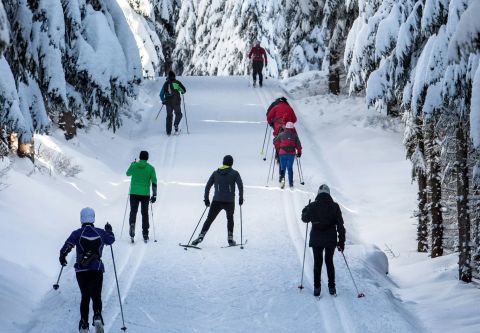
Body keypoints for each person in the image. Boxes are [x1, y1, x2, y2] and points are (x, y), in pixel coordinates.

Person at [59, 207, 115, 332]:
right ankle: (97, 315)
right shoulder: (100, 232)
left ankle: (84, 323)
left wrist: (62, 256)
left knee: (85, 296)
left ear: (81, 218)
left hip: (81, 271)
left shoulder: (77, 233)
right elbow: (111, 240)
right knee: (96, 295)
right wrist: (109, 230)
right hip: (97, 269)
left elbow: (67, 246)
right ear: (93, 218)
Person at [301, 185, 346, 297]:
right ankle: (332, 287)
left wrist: (305, 210)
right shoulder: (335, 207)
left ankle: (317, 288)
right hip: (330, 238)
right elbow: (340, 226)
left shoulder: (313, 205)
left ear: (318, 193)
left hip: (317, 238)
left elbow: (304, 219)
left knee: (318, 262)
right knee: (329, 261)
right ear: (328, 194)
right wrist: (341, 242)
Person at [192, 155, 244, 246]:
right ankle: (230, 238)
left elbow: (208, 186)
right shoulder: (235, 173)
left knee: (209, 219)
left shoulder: (216, 173)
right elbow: (240, 185)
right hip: (229, 201)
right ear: (232, 163)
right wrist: (240, 197)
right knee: (230, 218)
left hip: (217, 201)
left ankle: (201, 235)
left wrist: (206, 199)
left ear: (223, 162)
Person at [126, 150, 157, 242]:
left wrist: (132, 164)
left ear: (139, 157)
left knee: (133, 211)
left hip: (134, 193)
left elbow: (128, 173)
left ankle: (132, 225)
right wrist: (154, 195)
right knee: (144, 213)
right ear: (147, 158)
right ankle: (145, 233)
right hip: (145, 194)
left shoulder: (134, 166)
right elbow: (154, 182)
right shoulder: (151, 168)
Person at [273, 122, 302, 188]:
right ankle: (291, 184)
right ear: (292, 128)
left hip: (282, 153)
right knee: (290, 168)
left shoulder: (281, 134)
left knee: (283, 168)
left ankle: (282, 183)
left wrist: (278, 146)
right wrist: (299, 152)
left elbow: (275, 142)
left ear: (286, 127)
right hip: (291, 154)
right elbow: (299, 145)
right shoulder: (295, 135)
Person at [160, 70, 186, 135]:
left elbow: (161, 94)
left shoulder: (165, 84)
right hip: (176, 102)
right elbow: (183, 90)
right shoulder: (176, 83)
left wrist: (163, 100)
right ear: (174, 76)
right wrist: (181, 91)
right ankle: (176, 124)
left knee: (169, 116)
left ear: (168, 76)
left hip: (168, 103)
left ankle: (168, 131)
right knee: (179, 114)